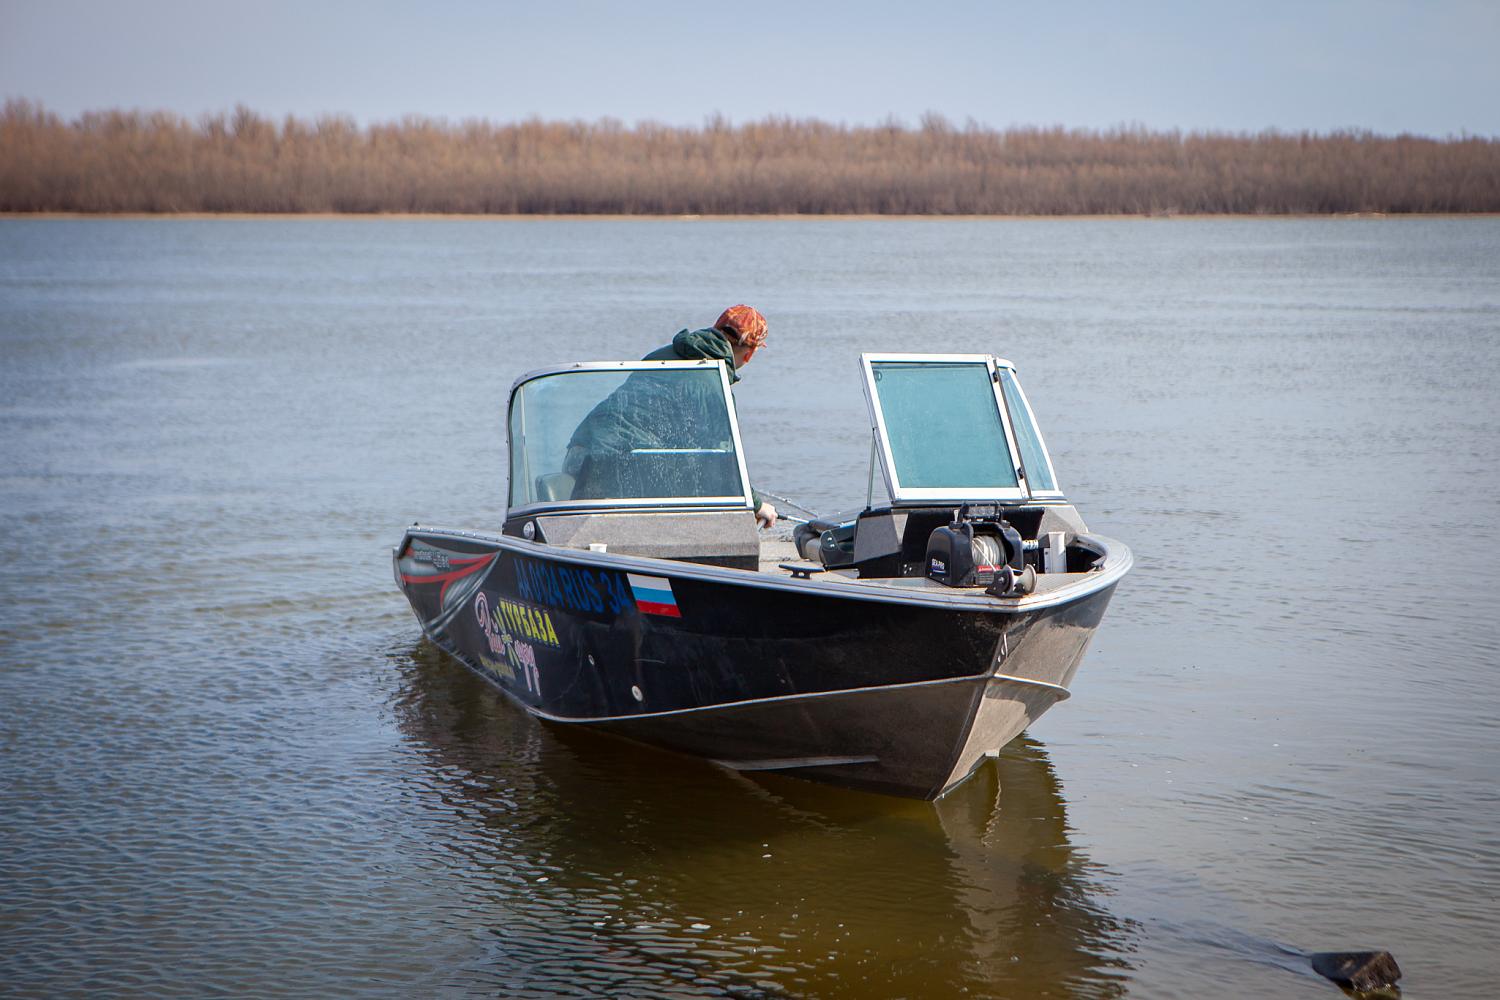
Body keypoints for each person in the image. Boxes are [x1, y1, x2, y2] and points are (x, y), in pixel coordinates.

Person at [565, 305, 778, 528]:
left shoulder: (662, 354)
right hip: (619, 464)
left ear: (715, 329)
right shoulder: (715, 387)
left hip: (580, 450)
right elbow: (725, 462)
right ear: (750, 354)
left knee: (579, 532)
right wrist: (756, 505)